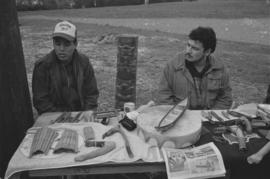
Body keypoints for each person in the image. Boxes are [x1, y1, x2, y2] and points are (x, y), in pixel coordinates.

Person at [32, 20, 99, 119]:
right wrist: (64, 118)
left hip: (80, 115)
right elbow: (41, 101)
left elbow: (91, 94)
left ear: (75, 44)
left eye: (67, 44)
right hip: (53, 117)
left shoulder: (84, 62)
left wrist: (87, 113)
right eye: (57, 44)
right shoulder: (42, 66)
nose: (61, 49)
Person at [158, 26, 232, 109]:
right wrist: (175, 115)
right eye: (188, 45)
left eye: (195, 48)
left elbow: (225, 98)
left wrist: (210, 117)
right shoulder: (173, 66)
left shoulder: (219, 68)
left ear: (207, 52)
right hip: (180, 117)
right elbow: (163, 96)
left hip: (209, 118)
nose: (188, 51)